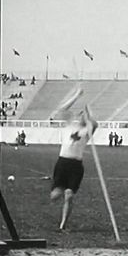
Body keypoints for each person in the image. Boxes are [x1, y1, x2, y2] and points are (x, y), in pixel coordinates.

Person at [49, 87, 98, 231]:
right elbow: (61, 110)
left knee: (69, 195)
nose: (83, 115)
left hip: (76, 166)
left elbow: (95, 124)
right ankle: (59, 188)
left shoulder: (86, 130)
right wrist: (77, 95)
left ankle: (63, 225)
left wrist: (89, 113)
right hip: (62, 163)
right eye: (82, 113)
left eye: (85, 114)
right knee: (55, 196)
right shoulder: (69, 125)